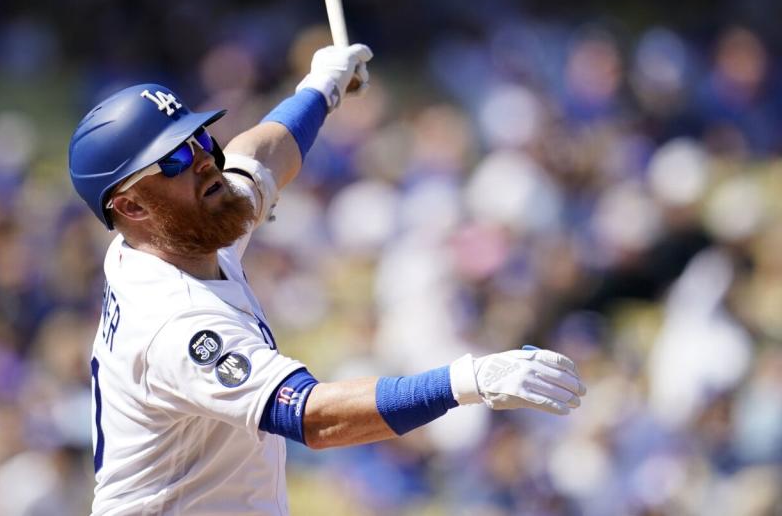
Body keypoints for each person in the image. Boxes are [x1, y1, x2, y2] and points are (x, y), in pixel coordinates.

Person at [68, 43, 586, 515]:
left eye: (200, 138)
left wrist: (320, 89)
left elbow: (261, 154)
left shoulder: (181, 231)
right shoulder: (172, 321)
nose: (204, 161)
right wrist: (466, 382)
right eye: (175, 158)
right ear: (131, 204)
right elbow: (311, 416)